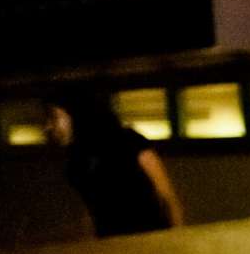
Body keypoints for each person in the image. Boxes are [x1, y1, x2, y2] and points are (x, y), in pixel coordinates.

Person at [46, 94, 182, 237]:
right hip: (112, 248)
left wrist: (176, 239)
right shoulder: (76, 163)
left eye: (55, 117)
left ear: (77, 116)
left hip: (150, 241)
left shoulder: (128, 141)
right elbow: (91, 210)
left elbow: (167, 196)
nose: (49, 126)